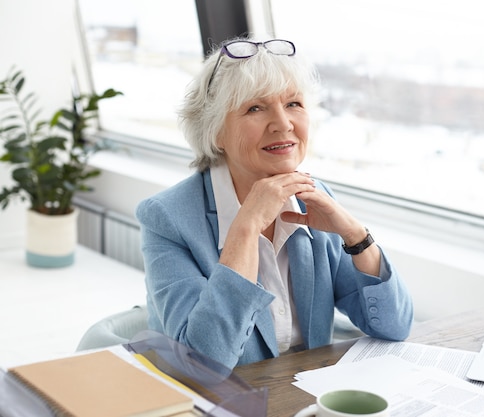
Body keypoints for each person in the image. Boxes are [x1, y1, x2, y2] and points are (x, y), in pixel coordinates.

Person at [135, 37, 414, 370]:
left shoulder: (314, 197)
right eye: (255, 108)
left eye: (294, 104)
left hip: (305, 394)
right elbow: (202, 365)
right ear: (215, 132)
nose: (283, 124)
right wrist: (246, 228)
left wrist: (356, 235)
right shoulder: (167, 219)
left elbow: (394, 326)